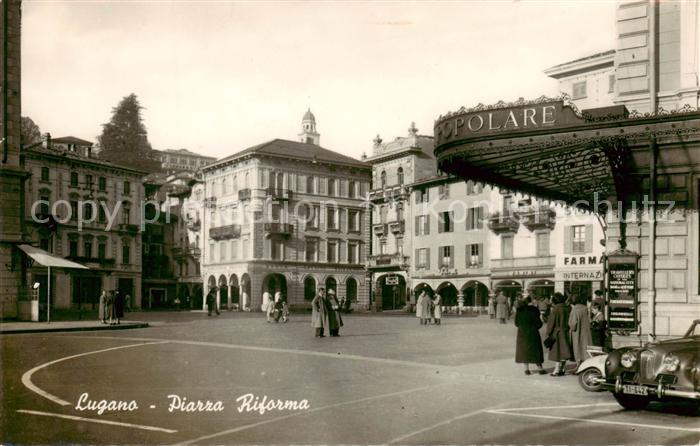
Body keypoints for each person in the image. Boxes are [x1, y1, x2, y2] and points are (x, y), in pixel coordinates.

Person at [514, 297, 546, 375]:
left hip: (522, 333)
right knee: (536, 350)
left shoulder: (519, 310)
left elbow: (516, 323)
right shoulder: (534, 310)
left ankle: (526, 369)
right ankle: (540, 368)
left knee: (524, 350)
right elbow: (539, 323)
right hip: (533, 332)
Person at [545, 292, 574, 376]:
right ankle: (563, 369)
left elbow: (551, 323)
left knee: (557, 352)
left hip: (557, 333)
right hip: (566, 332)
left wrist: (548, 333)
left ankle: (556, 370)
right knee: (564, 352)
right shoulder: (568, 308)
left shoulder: (555, 309)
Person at [569, 294, 593, 366]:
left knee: (577, 348)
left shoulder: (574, 310)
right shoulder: (585, 309)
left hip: (577, 333)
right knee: (585, 347)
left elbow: (573, 325)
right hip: (586, 331)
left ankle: (578, 365)